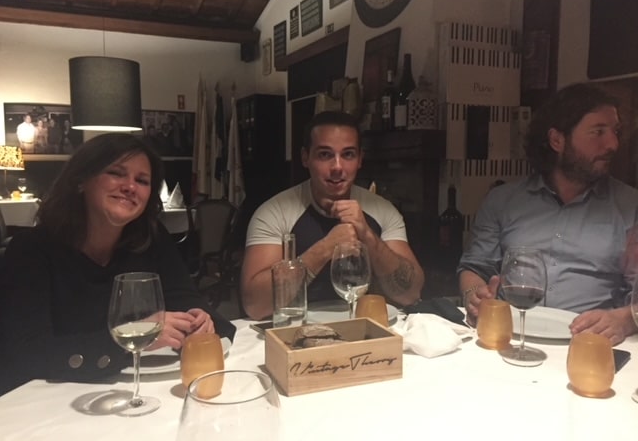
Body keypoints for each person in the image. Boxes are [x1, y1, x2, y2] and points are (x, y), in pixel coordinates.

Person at [0, 133, 235, 396]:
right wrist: (134, 336)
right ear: (80, 180)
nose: (130, 187)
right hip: (50, 399)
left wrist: (198, 319)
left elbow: (185, 297)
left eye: (142, 181)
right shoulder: (31, 250)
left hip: (143, 392)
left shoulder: (152, 239)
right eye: (116, 173)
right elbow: (26, 352)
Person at [460, 83, 638, 344]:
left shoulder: (631, 206)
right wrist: (475, 295)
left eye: (616, 132)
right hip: (508, 339)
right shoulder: (503, 201)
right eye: (598, 132)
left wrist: (626, 318)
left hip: (589, 345)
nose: (613, 143)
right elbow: (474, 267)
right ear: (557, 140)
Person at [240, 111, 425, 320]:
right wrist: (326, 248)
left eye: (348, 155)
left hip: (366, 329)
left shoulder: (383, 211)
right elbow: (255, 305)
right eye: (325, 155)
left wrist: (367, 236)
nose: (337, 167)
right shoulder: (274, 213)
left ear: (360, 159)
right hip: (296, 331)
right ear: (305, 157)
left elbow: (411, 293)